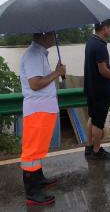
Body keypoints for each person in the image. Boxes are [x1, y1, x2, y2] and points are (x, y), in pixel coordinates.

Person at [20, 32, 66, 206]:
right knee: (31, 151)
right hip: (37, 110)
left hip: (43, 109)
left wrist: (55, 71)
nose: (56, 37)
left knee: (38, 148)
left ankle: (38, 178)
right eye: (53, 34)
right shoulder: (33, 55)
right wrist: (56, 72)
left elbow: (41, 80)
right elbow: (35, 84)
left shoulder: (40, 54)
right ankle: (32, 192)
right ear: (44, 35)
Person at [84, 19, 110, 160]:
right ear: (104, 28)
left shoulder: (90, 42)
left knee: (92, 117)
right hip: (100, 89)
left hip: (90, 88)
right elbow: (103, 70)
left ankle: (89, 146)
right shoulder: (100, 46)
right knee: (98, 122)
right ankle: (96, 150)